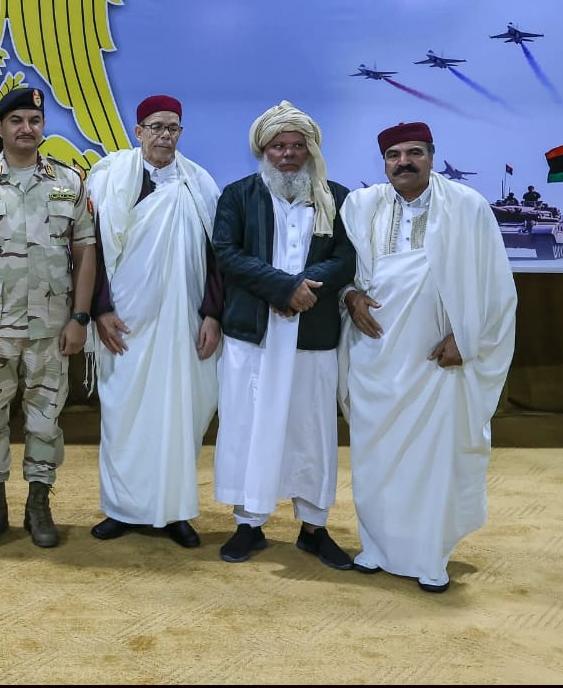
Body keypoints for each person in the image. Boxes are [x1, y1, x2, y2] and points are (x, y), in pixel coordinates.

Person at [340, 121, 517, 593]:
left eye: (414, 152)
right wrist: (349, 296)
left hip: (436, 360)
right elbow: (343, 271)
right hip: (375, 357)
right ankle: (375, 548)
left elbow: (496, 284)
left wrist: (467, 338)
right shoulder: (360, 206)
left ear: (432, 156)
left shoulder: (467, 206)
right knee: (374, 458)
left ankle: (429, 558)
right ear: (383, 162)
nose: (404, 162)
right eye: (394, 155)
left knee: (433, 460)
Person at [0, 86, 96, 549]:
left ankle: (38, 504)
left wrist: (80, 317)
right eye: (16, 120)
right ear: (0, 128)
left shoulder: (69, 182)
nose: (27, 128)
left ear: (42, 126)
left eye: (34, 120)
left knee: (46, 419)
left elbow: (85, 252)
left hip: (51, 327)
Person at [210, 100, 356, 569]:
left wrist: (303, 288)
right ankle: (248, 525)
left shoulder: (336, 197)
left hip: (311, 334)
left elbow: (346, 257)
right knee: (247, 426)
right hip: (253, 335)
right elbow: (226, 252)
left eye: (297, 146)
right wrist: (282, 288)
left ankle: (313, 529)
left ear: (311, 149)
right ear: (263, 151)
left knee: (310, 430)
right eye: (278, 147)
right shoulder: (238, 195)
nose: (288, 155)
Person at [86, 94, 223, 548]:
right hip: (125, 323)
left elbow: (217, 256)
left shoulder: (199, 183)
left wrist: (212, 313)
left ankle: (174, 511)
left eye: (173, 128)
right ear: (138, 131)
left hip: (185, 324)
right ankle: (122, 510)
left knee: (180, 414)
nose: (165, 135)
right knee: (124, 416)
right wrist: (100, 309)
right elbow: (91, 249)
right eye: (156, 127)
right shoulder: (109, 177)